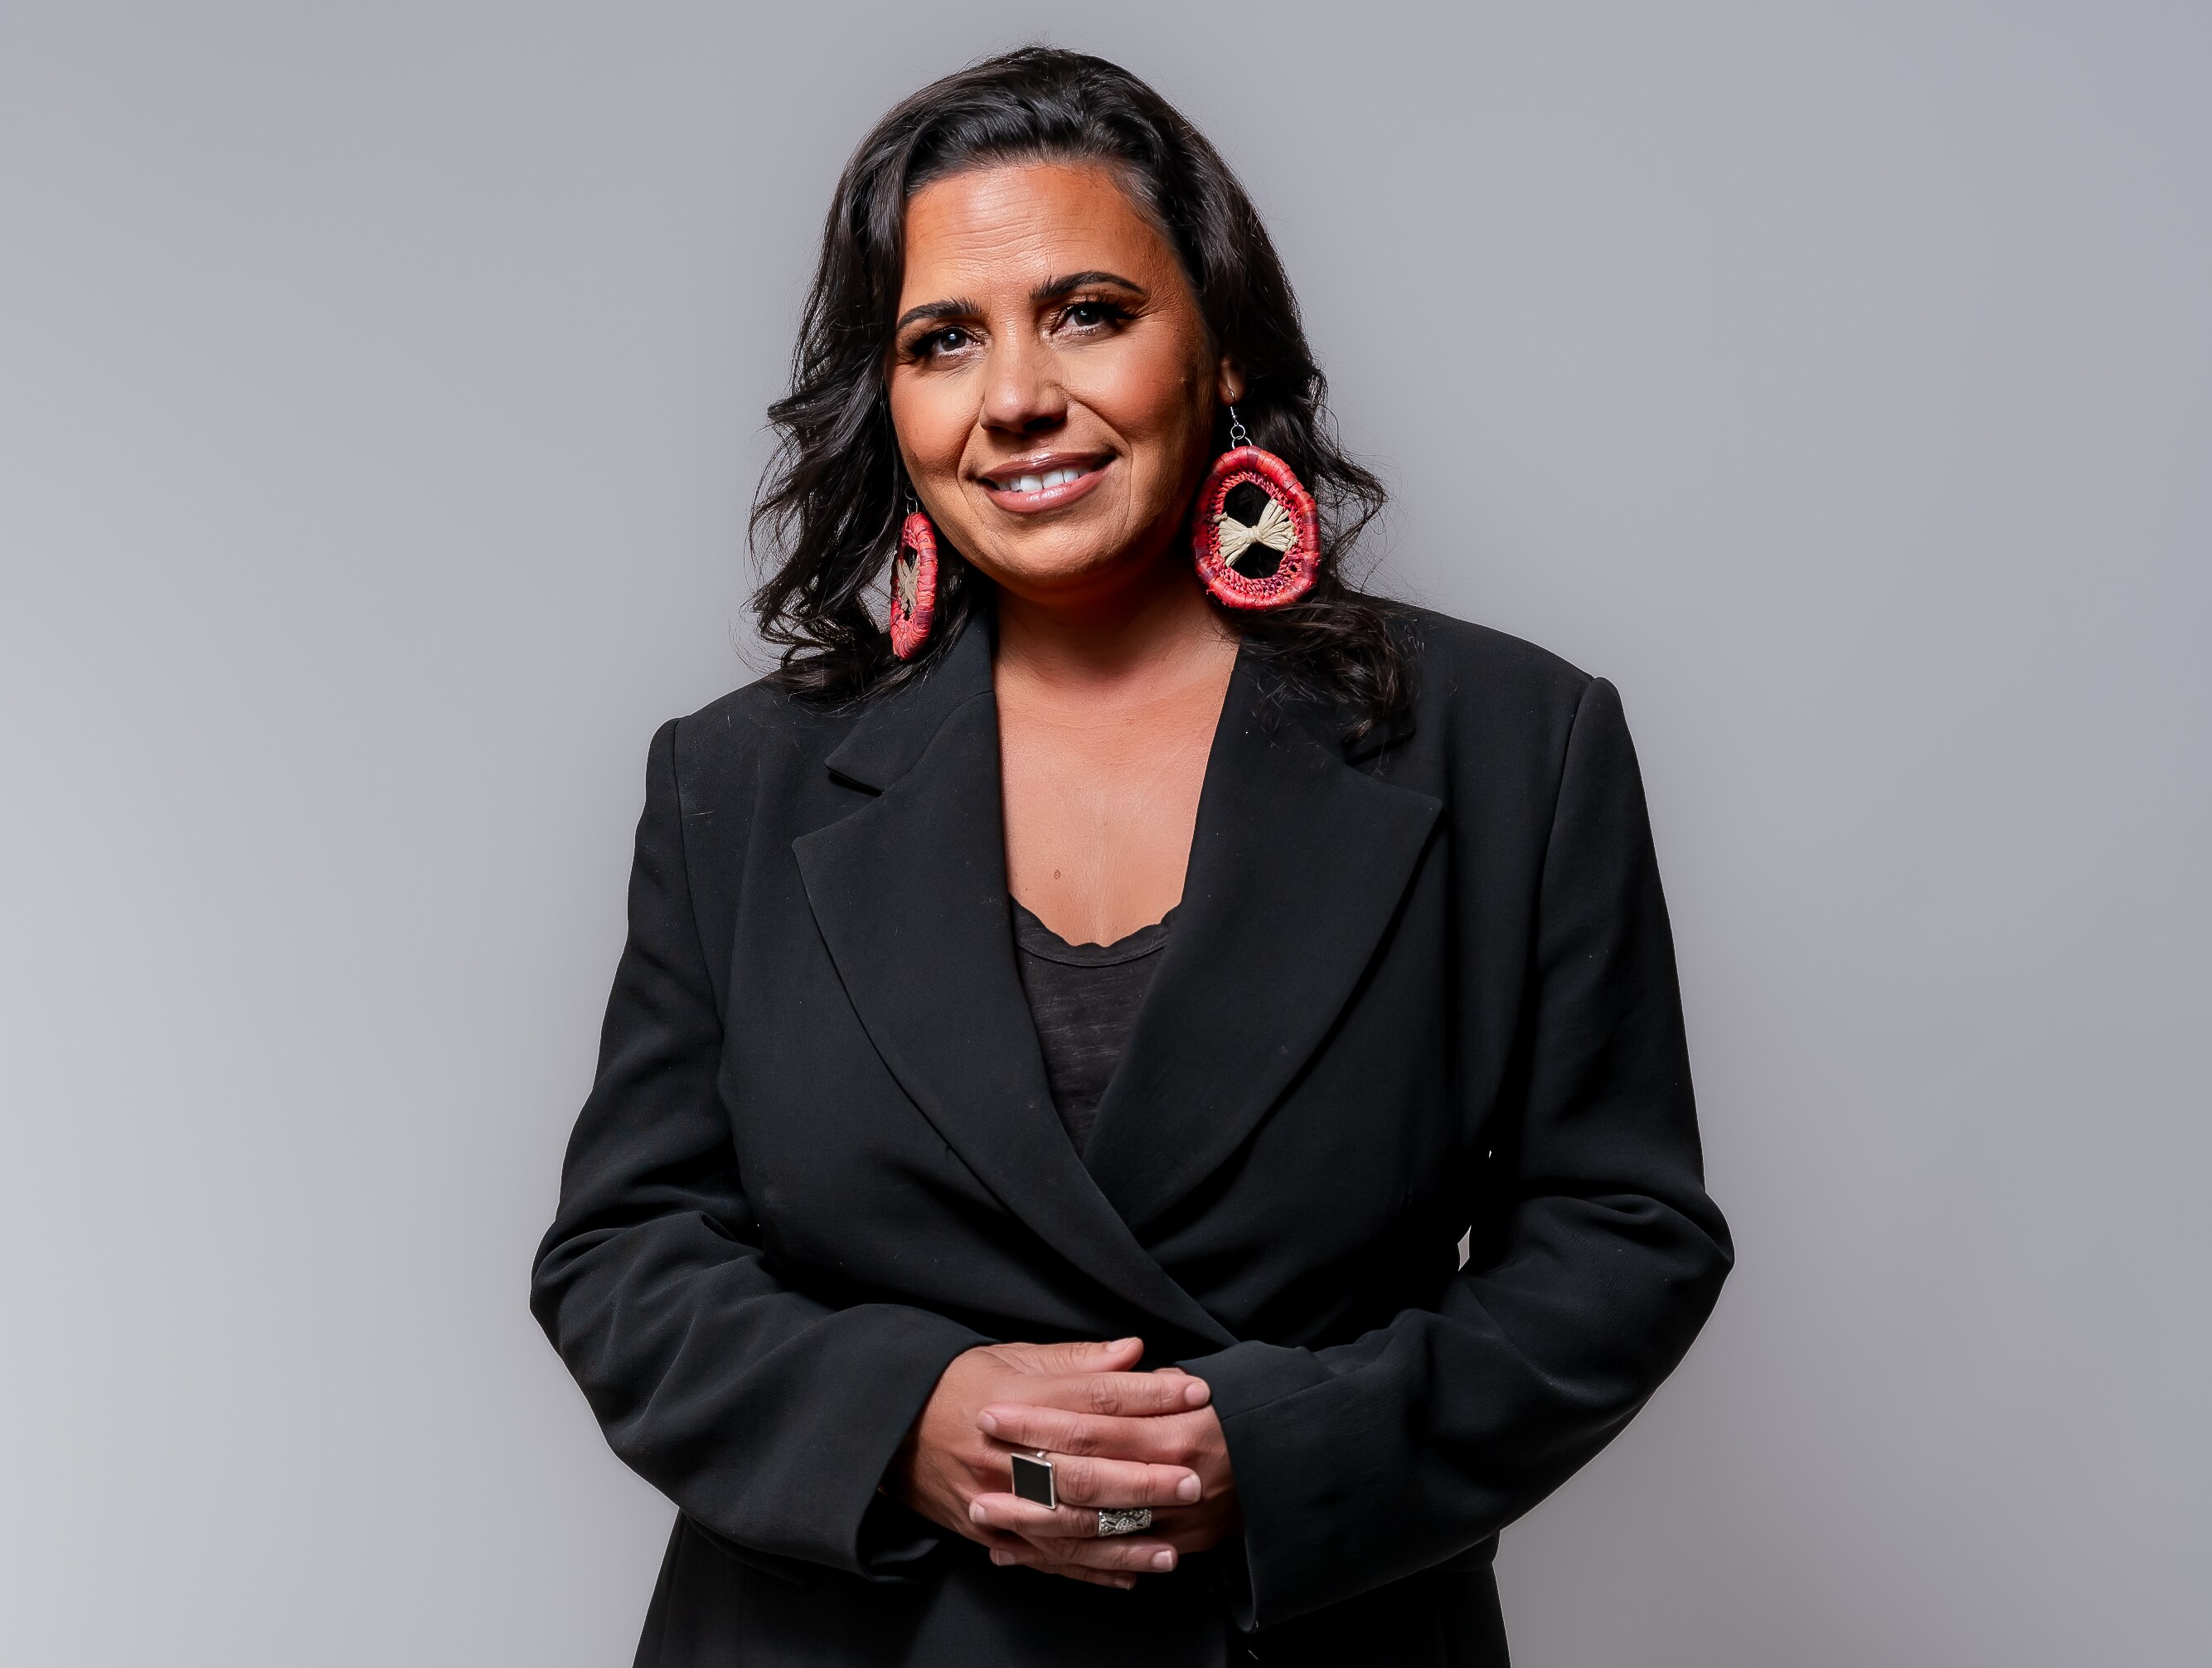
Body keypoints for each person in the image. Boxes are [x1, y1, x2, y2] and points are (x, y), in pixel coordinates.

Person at [531, 46, 1731, 1668]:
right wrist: (908, 1419)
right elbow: (625, 1249)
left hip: (1306, 1633)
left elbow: (1621, 1231)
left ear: (1224, 347)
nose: (1015, 394)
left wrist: (1277, 1450)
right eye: (942, 340)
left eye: (1087, 310)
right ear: (890, 403)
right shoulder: (741, 781)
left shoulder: (1514, 740)